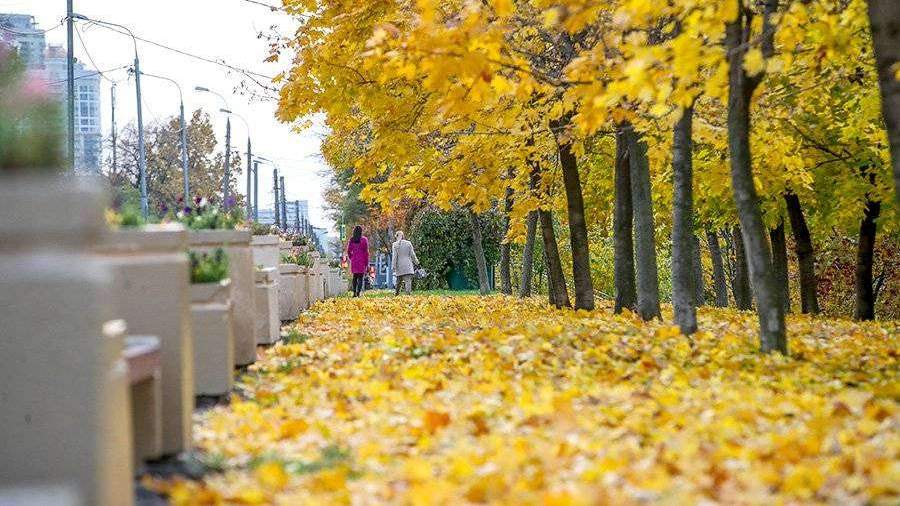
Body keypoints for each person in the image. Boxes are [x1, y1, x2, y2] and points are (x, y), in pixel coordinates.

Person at [391, 230, 419, 295]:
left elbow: (395, 256)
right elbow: (412, 254)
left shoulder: (395, 244)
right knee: (408, 282)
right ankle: (408, 295)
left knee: (398, 282)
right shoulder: (408, 243)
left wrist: (393, 266)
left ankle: (396, 294)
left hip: (399, 266)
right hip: (408, 265)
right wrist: (416, 262)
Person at [346, 225, 369, 297]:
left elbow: (348, 251)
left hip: (354, 260)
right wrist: (366, 262)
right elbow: (366, 252)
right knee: (360, 277)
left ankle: (354, 293)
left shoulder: (352, 240)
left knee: (355, 277)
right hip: (362, 260)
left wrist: (351, 258)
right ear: (361, 232)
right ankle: (358, 292)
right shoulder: (364, 240)